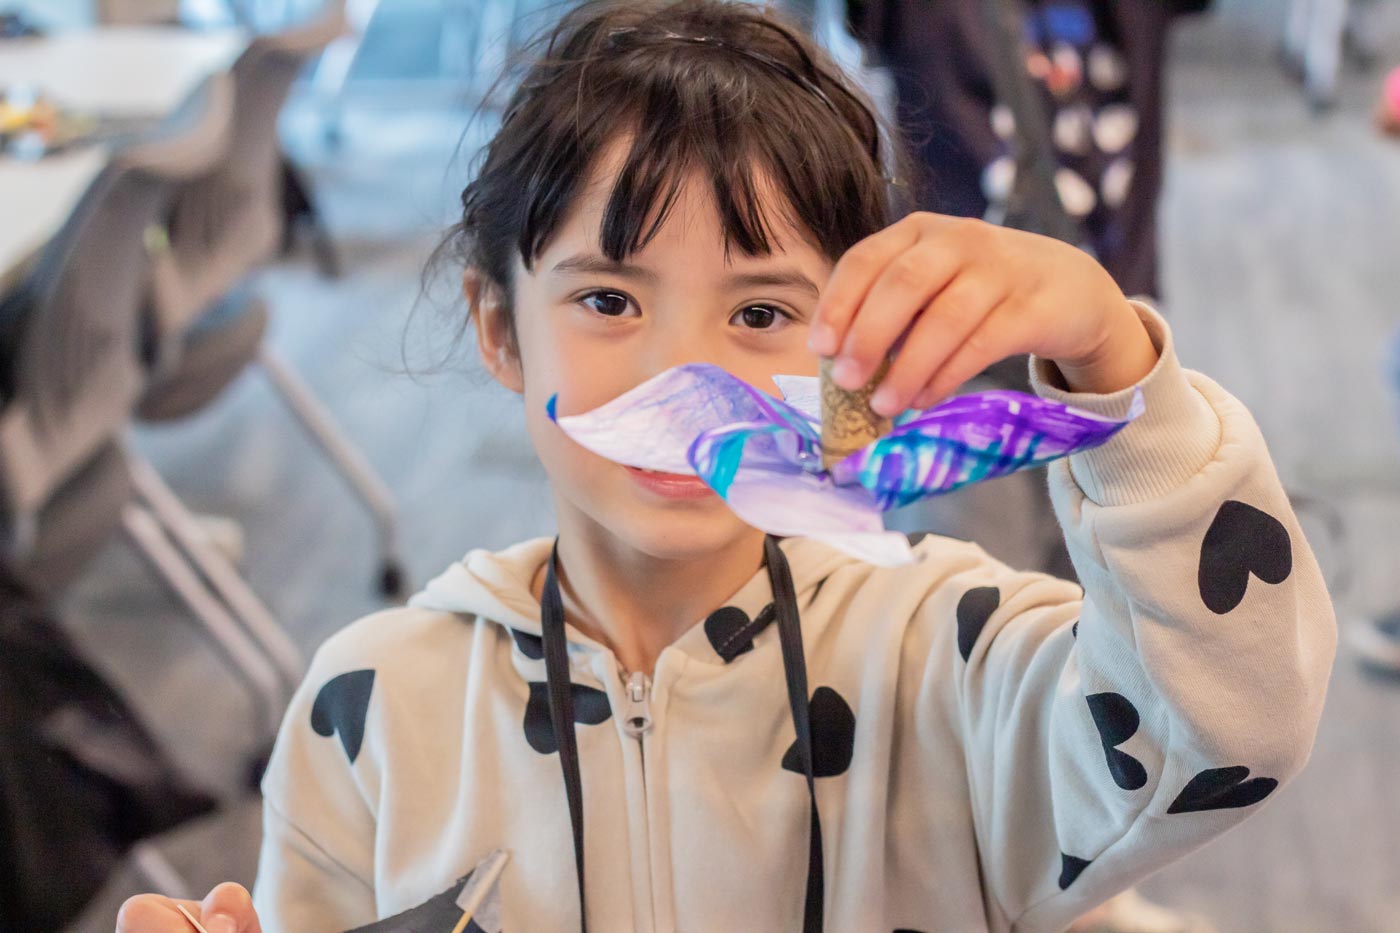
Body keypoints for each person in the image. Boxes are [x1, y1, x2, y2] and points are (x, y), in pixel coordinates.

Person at [115, 2, 1336, 930]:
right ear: (499, 329)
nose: (679, 379)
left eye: (758, 315)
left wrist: (1113, 365)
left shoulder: (946, 656)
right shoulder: (372, 712)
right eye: (606, 298)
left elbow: (1229, 728)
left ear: (851, 344)